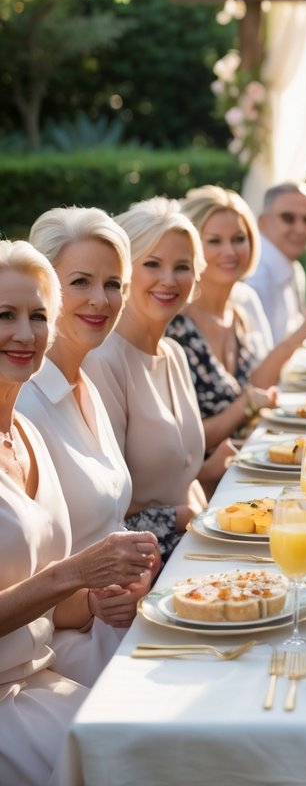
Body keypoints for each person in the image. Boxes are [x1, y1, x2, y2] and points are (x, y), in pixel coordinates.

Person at [0, 240, 156, 786]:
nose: (25, 333)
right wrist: (76, 574)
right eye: (5, 315)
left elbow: (41, 596)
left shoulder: (26, 435)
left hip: (39, 675)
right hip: (7, 699)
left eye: (38, 316)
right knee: (142, 756)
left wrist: (93, 597)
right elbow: (55, 575)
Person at [19, 207, 150, 687]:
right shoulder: (25, 404)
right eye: (81, 282)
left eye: (113, 283)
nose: (101, 299)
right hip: (64, 650)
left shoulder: (84, 383)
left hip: (121, 621)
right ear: (46, 290)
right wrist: (90, 603)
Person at [86, 198, 211, 563]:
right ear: (123, 274)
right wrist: (189, 517)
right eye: (152, 264)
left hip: (189, 546)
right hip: (142, 565)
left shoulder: (174, 354)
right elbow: (106, 510)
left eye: (182, 267)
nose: (169, 280)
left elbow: (186, 480)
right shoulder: (104, 361)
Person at [169, 185, 306, 454]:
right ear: (190, 248)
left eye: (238, 239)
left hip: (256, 454)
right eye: (214, 241)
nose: (230, 251)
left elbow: (263, 384)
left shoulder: (242, 306)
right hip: (209, 480)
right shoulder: (175, 325)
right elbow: (184, 444)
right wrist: (247, 405)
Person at [246, 181, 306, 345]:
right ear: (263, 222)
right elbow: (260, 359)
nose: (300, 229)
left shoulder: (293, 267)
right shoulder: (256, 278)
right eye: (288, 218)